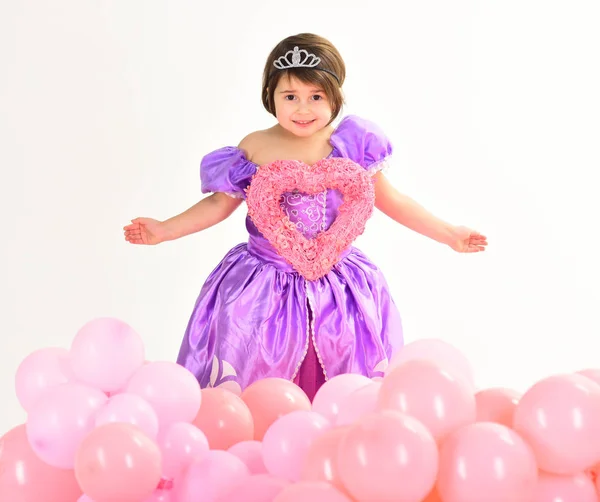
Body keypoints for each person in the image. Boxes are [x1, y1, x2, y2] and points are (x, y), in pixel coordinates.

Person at [123, 33, 487, 400]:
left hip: (337, 285)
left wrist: (449, 233)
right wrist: (165, 229)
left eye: (316, 97)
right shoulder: (256, 145)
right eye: (290, 97)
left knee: (342, 360)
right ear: (271, 96)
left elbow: (393, 201)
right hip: (263, 281)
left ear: (335, 97)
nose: (303, 109)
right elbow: (218, 205)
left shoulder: (350, 145)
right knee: (255, 364)